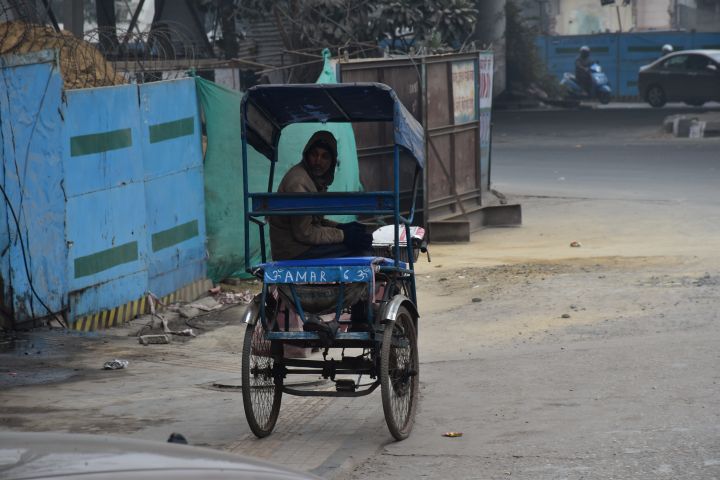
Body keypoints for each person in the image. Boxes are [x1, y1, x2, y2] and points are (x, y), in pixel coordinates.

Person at [269, 130, 374, 261]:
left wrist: (340, 227)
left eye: (325, 157)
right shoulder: (299, 183)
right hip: (294, 251)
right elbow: (304, 233)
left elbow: (314, 221)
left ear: (332, 162)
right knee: (361, 253)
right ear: (307, 155)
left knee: (360, 245)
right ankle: (358, 282)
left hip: (301, 246)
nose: (318, 161)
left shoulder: (312, 180)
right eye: (314, 154)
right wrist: (344, 235)